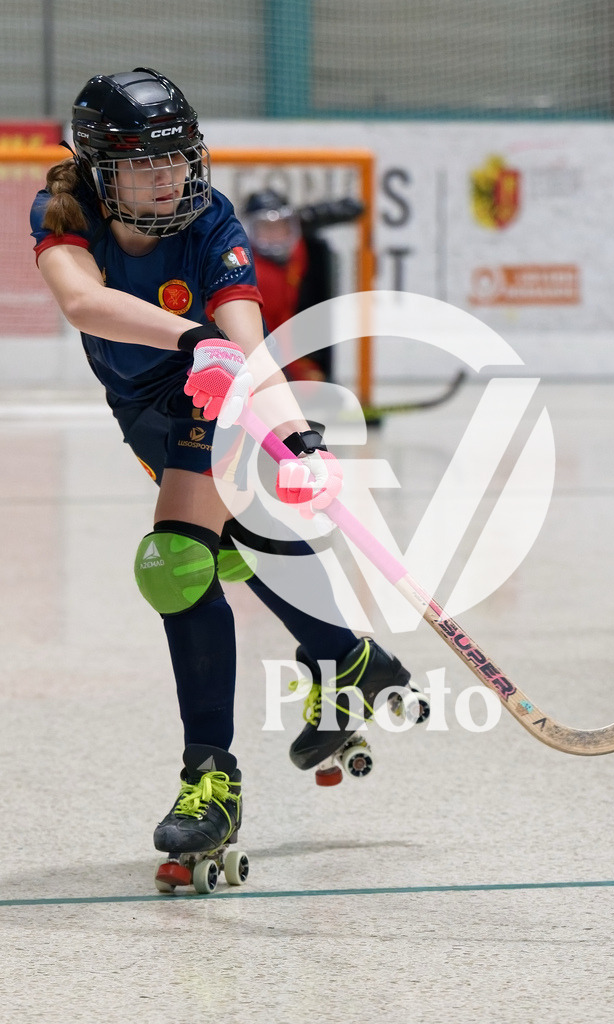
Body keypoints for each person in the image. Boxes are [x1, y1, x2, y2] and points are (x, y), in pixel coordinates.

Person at [30, 68, 413, 868]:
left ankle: (211, 779)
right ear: (103, 168)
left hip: (212, 392)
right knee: (236, 545)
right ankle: (348, 656)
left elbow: (244, 341)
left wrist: (295, 434)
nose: (168, 177)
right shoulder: (63, 207)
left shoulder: (213, 224)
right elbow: (82, 302)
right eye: (145, 162)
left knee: (178, 564)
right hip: (144, 401)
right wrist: (187, 337)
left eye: (178, 157)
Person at [242, 188, 365, 382]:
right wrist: (300, 376)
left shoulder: (298, 251)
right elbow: (274, 336)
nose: (274, 236)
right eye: (265, 228)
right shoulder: (257, 275)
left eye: (281, 226)